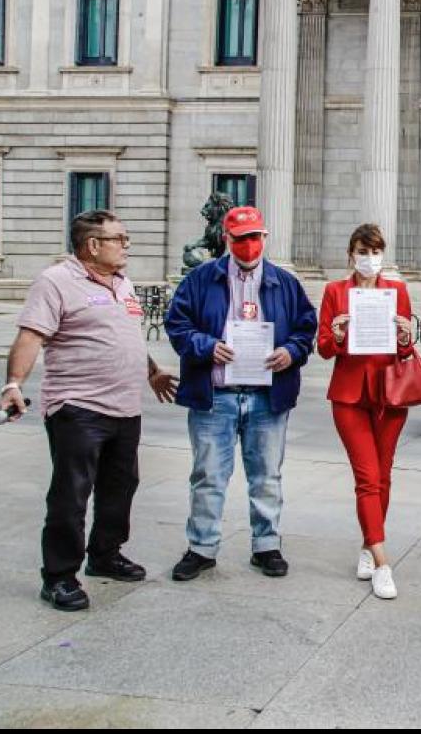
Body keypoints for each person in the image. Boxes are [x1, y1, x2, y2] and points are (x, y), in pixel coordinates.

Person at [0, 210, 177, 611]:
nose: (127, 245)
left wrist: (151, 370)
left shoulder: (123, 282)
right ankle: (59, 576)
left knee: (121, 487)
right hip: (77, 406)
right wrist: (14, 384)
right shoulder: (57, 281)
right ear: (93, 245)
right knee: (71, 493)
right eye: (119, 239)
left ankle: (105, 555)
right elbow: (31, 335)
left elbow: (124, 335)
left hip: (125, 407)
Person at [165, 206, 318, 581]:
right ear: (227, 240)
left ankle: (266, 545)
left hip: (268, 396)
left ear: (264, 238)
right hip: (216, 395)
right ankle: (201, 547)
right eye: (241, 239)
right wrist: (204, 345)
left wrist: (292, 351)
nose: (249, 246)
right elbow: (177, 324)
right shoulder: (201, 279)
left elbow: (305, 328)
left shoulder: (285, 282)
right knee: (208, 474)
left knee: (266, 475)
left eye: (255, 238)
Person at [317, 224, 415, 599]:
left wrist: (405, 336)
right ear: (351, 253)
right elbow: (324, 348)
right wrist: (338, 334)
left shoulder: (398, 291)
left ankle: (366, 544)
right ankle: (382, 561)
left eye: (376, 252)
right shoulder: (334, 291)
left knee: (384, 476)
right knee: (367, 476)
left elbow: (405, 352)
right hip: (349, 394)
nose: (370, 259)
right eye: (363, 251)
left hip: (389, 394)